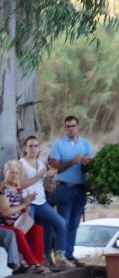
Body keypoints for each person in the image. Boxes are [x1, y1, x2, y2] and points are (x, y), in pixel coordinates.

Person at [47, 115, 94, 268]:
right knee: (63, 222)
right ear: (64, 128)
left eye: (73, 126)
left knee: (74, 223)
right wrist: (72, 162)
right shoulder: (58, 144)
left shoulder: (85, 144)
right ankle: (59, 255)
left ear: (77, 126)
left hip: (80, 188)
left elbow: (91, 167)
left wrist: (86, 164)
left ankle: (69, 255)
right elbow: (55, 166)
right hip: (64, 187)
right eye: (67, 126)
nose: (70, 129)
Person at [16, 135, 68, 269]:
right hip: (28, 202)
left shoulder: (41, 163)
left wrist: (49, 179)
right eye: (30, 146)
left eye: (35, 146)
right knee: (25, 229)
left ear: (39, 148)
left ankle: (60, 255)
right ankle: (23, 260)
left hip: (41, 201)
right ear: (25, 148)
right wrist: (39, 175)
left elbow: (41, 185)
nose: (33, 148)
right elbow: (20, 184)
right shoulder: (21, 163)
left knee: (61, 223)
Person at [0, 160, 45, 272]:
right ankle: (32, 263)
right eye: (11, 172)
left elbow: (22, 209)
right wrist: (23, 205)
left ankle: (38, 263)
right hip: (4, 224)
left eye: (17, 173)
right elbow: (5, 212)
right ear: (5, 173)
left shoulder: (18, 189)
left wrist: (26, 206)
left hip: (17, 223)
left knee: (38, 229)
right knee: (17, 233)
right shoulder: (2, 189)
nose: (14, 175)